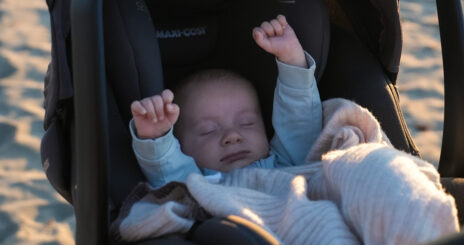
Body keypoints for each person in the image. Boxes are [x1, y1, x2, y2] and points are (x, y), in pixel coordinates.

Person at [129, 15, 322, 187]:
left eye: (247, 123)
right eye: (208, 131)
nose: (232, 136)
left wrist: (292, 59)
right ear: (181, 148)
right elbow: (168, 173)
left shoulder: (287, 164)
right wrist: (156, 139)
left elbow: (299, 123)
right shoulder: (196, 184)